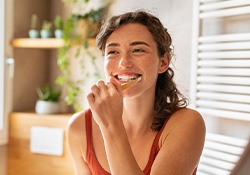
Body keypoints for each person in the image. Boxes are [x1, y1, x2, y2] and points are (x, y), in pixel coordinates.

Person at [67, 9, 206, 175]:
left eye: (138, 50)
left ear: (163, 62)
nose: (124, 62)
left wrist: (111, 125)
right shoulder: (79, 127)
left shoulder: (187, 124)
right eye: (113, 52)